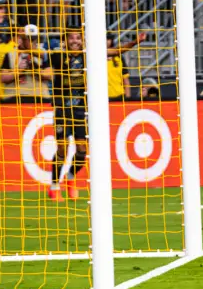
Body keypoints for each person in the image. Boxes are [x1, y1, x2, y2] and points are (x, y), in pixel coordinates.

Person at [46, 30, 146, 200]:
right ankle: (54, 186)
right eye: (71, 38)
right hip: (62, 108)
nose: (75, 41)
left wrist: (135, 42)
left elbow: (114, 51)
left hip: (80, 109)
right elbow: (42, 62)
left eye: (78, 37)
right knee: (62, 147)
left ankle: (70, 179)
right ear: (65, 41)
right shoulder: (57, 56)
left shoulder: (88, 56)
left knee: (81, 150)